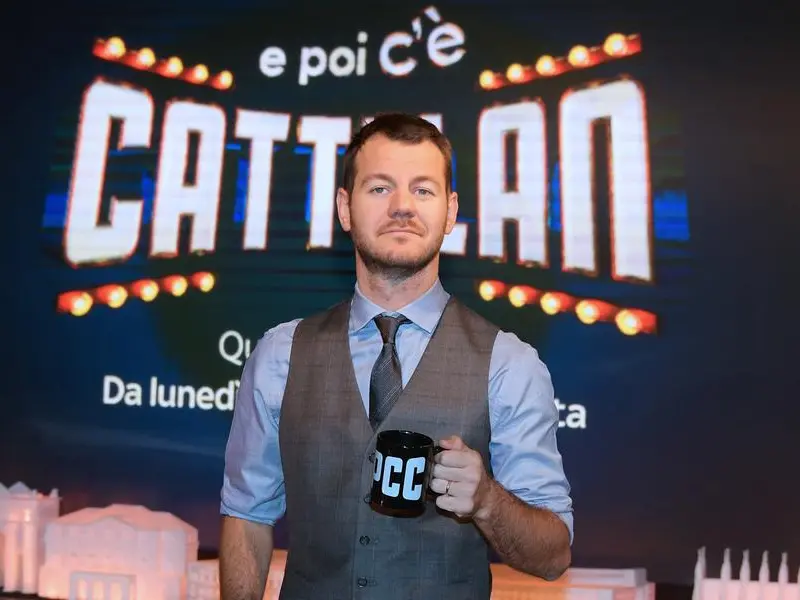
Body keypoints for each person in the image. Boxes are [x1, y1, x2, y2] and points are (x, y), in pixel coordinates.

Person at [218, 113, 573, 600]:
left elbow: (553, 557)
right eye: (380, 188)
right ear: (345, 208)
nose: (402, 206)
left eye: (423, 190)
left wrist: (488, 501)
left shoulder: (510, 365)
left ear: (450, 212)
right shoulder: (280, 355)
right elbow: (246, 515)